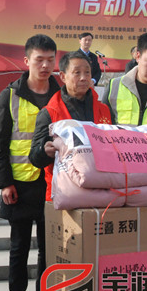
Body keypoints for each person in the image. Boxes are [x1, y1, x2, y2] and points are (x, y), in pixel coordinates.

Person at [0, 34, 60, 291]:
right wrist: (4, 182)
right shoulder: (10, 95)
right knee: (18, 246)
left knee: (48, 246)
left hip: (53, 182)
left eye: (50, 60)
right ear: (26, 61)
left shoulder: (61, 93)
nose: (45, 66)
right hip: (19, 184)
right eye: (39, 60)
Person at [29, 51, 111, 206]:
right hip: (63, 194)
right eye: (77, 73)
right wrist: (44, 151)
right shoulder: (49, 113)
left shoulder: (104, 110)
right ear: (63, 76)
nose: (83, 78)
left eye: (87, 72)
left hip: (100, 192)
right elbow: (34, 157)